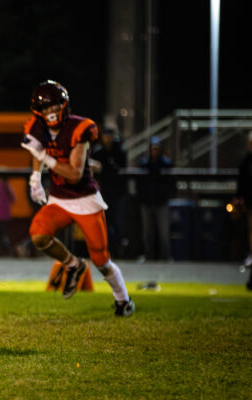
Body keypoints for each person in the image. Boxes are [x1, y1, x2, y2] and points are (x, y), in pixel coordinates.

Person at [21, 80, 134, 317]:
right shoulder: (37, 127)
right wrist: (35, 177)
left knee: (101, 260)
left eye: (54, 106)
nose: (50, 112)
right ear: (38, 111)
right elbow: (36, 149)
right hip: (60, 199)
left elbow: (74, 174)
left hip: (85, 199)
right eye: (45, 108)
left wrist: (46, 159)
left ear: (64, 105)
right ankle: (74, 264)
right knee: (38, 235)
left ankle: (123, 299)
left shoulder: (80, 128)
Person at [89, 127, 129, 258]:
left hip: (118, 192)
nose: (107, 139)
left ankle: (120, 252)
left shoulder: (119, 151)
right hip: (103, 193)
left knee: (119, 223)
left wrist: (103, 167)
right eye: (105, 136)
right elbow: (92, 171)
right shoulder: (98, 151)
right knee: (104, 223)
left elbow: (119, 169)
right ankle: (105, 250)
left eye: (110, 136)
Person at [136, 135, 175, 261]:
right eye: (153, 148)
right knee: (147, 232)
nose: (155, 151)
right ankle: (148, 256)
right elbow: (139, 184)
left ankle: (165, 257)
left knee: (164, 232)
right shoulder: (144, 164)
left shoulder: (166, 164)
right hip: (147, 202)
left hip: (161, 202)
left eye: (157, 148)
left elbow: (171, 184)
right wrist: (141, 198)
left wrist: (167, 196)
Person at [234, 131, 252, 289]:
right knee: (250, 230)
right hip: (250, 202)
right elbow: (242, 181)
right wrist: (239, 198)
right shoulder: (247, 161)